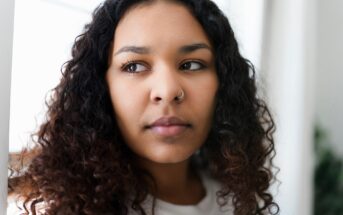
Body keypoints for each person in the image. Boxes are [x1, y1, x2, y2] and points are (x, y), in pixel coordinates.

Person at [8, 0, 279, 214]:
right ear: (101, 88)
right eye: (134, 66)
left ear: (223, 82)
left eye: (192, 64)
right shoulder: (62, 207)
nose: (167, 90)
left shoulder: (239, 198)